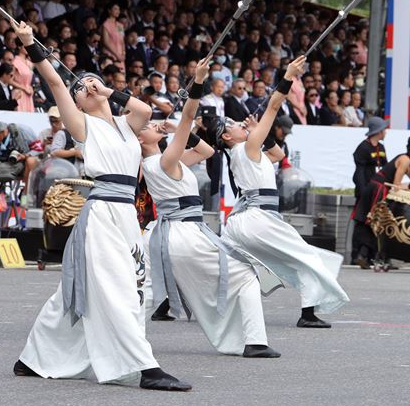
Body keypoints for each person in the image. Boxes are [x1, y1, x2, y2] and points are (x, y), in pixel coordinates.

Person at [12, 20, 191, 392]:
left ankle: (35, 356)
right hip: (102, 213)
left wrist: (108, 90)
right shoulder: (82, 125)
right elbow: (58, 83)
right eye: (82, 88)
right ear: (77, 101)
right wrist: (32, 45)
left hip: (127, 213)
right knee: (117, 289)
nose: (85, 87)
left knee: (80, 289)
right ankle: (145, 367)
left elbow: (142, 109)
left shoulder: (128, 126)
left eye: (90, 83)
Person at [139, 57, 279, 358]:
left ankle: (125, 341)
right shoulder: (164, 161)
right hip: (183, 234)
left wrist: (177, 129)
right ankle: (255, 341)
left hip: (161, 235)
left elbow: (206, 150)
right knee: (245, 275)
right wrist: (197, 83)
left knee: (143, 291)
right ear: (140, 139)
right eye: (150, 126)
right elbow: (190, 119)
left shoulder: (163, 162)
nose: (155, 125)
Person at [215, 55, 349, 328]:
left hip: (247, 221)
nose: (239, 123)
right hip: (257, 220)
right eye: (232, 125)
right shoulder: (245, 148)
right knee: (307, 257)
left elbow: (276, 154)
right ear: (226, 138)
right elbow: (274, 106)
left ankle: (214, 303)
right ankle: (308, 314)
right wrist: (288, 76)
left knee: (245, 266)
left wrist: (257, 131)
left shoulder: (250, 149)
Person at [351, 134, 410, 268]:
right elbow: (396, 184)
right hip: (378, 189)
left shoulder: (406, 160)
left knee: (375, 222)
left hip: (376, 187)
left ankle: (367, 256)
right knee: (379, 222)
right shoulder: (405, 160)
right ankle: (376, 257)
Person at [348, 116, 388, 265]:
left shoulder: (381, 148)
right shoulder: (363, 148)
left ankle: (370, 254)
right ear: (378, 131)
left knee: (375, 221)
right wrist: (363, 190)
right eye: (384, 129)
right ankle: (357, 254)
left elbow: (384, 168)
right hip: (366, 191)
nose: (386, 131)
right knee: (362, 221)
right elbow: (359, 172)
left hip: (378, 192)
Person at [0, 118, 39, 199]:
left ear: (1, 132)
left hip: (24, 166)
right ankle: (1, 192)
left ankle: (25, 193)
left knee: (31, 161)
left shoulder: (23, 130)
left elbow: (38, 149)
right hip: (3, 167)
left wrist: (24, 156)